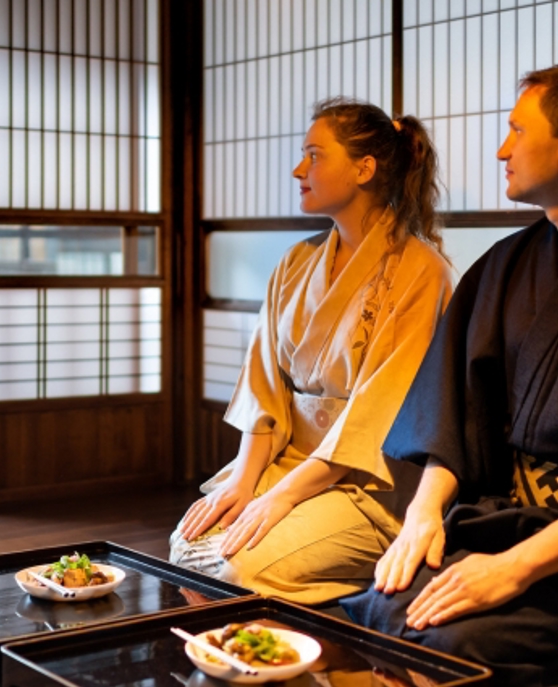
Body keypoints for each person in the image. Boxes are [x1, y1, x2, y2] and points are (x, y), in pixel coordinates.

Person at [341, 68, 558, 687]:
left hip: (546, 551)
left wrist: (515, 572)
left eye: (518, 130)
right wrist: (423, 514)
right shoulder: (505, 265)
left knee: (453, 644)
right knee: (381, 605)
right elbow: (458, 412)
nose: (502, 150)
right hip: (508, 522)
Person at [169, 97, 453, 603]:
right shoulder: (296, 262)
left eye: (315, 155)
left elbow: (374, 417)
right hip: (287, 462)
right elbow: (264, 387)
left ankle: (308, 654)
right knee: (188, 546)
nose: (300, 169)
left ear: (364, 168)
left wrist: (280, 499)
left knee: (235, 569)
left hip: (366, 484)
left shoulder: (420, 271)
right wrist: (244, 481)